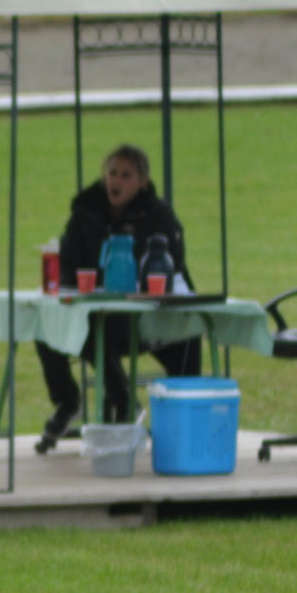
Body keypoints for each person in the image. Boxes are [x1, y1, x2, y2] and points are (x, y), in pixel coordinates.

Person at [35, 144, 202, 451]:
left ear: (143, 183)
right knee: (46, 326)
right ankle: (71, 402)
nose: (117, 181)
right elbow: (69, 260)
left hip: (146, 315)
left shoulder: (159, 215)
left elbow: (173, 261)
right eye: (112, 173)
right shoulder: (85, 211)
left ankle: (185, 425)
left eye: (126, 175)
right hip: (95, 312)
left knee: (190, 335)